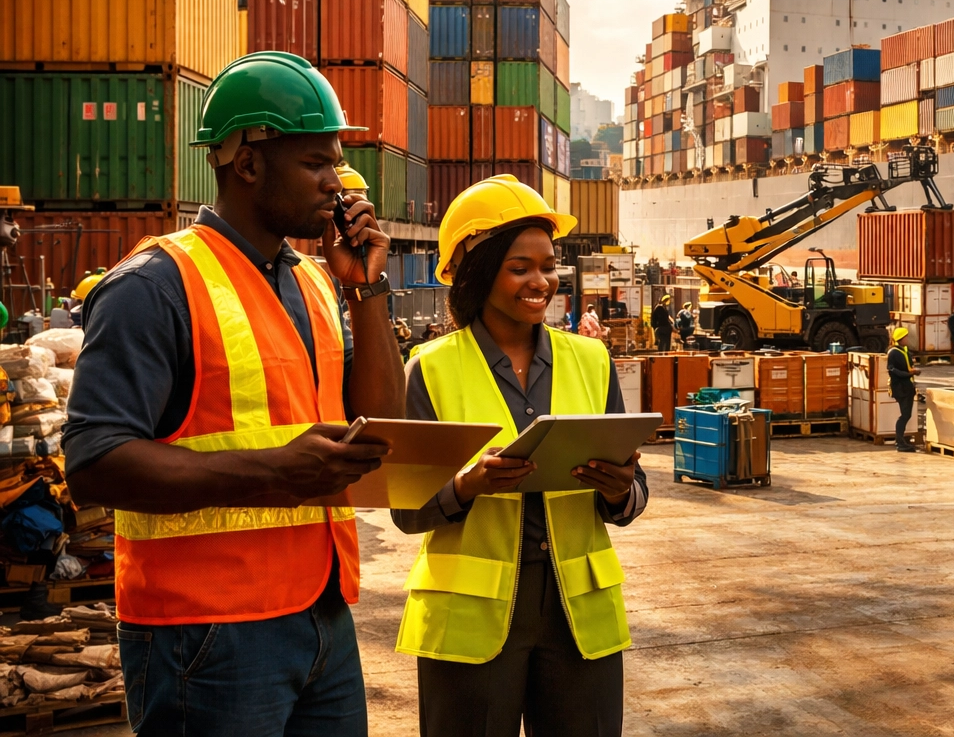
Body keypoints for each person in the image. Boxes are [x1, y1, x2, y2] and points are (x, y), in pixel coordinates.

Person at [63, 51, 404, 735]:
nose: (338, 185)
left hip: (323, 615)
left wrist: (366, 288)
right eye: (316, 164)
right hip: (205, 632)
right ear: (248, 165)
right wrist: (276, 471)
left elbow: (381, 427)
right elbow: (93, 461)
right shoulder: (153, 286)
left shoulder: (312, 281)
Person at [393, 178, 646, 735]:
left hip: (579, 618)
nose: (542, 282)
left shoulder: (593, 361)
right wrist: (468, 486)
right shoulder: (429, 370)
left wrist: (619, 488)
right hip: (470, 623)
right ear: (480, 273)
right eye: (520, 267)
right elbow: (407, 511)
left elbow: (634, 493)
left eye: (548, 265)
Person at [887, 326, 920, 451]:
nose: (907, 339)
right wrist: (910, 374)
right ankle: (899, 442)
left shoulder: (905, 350)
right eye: (905, 337)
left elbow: (908, 366)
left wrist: (912, 369)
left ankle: (901, 441)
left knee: (907, 414)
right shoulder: (893, 353)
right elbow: (892, 370)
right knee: (905, 415)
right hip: (900, 388)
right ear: (900, 339)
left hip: (908, 387)